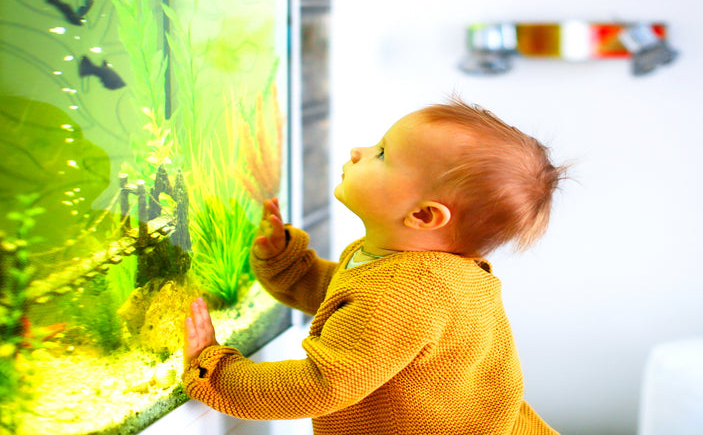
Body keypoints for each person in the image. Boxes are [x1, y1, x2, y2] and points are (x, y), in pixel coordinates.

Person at [183, 96, 565, 434]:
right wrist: (288, 264)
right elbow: (347, 302)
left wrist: (213, 371)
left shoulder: (401, 295)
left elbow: (319, 385)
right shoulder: (426, 271)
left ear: (423, 215)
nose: (357, 151)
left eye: (382, 154)